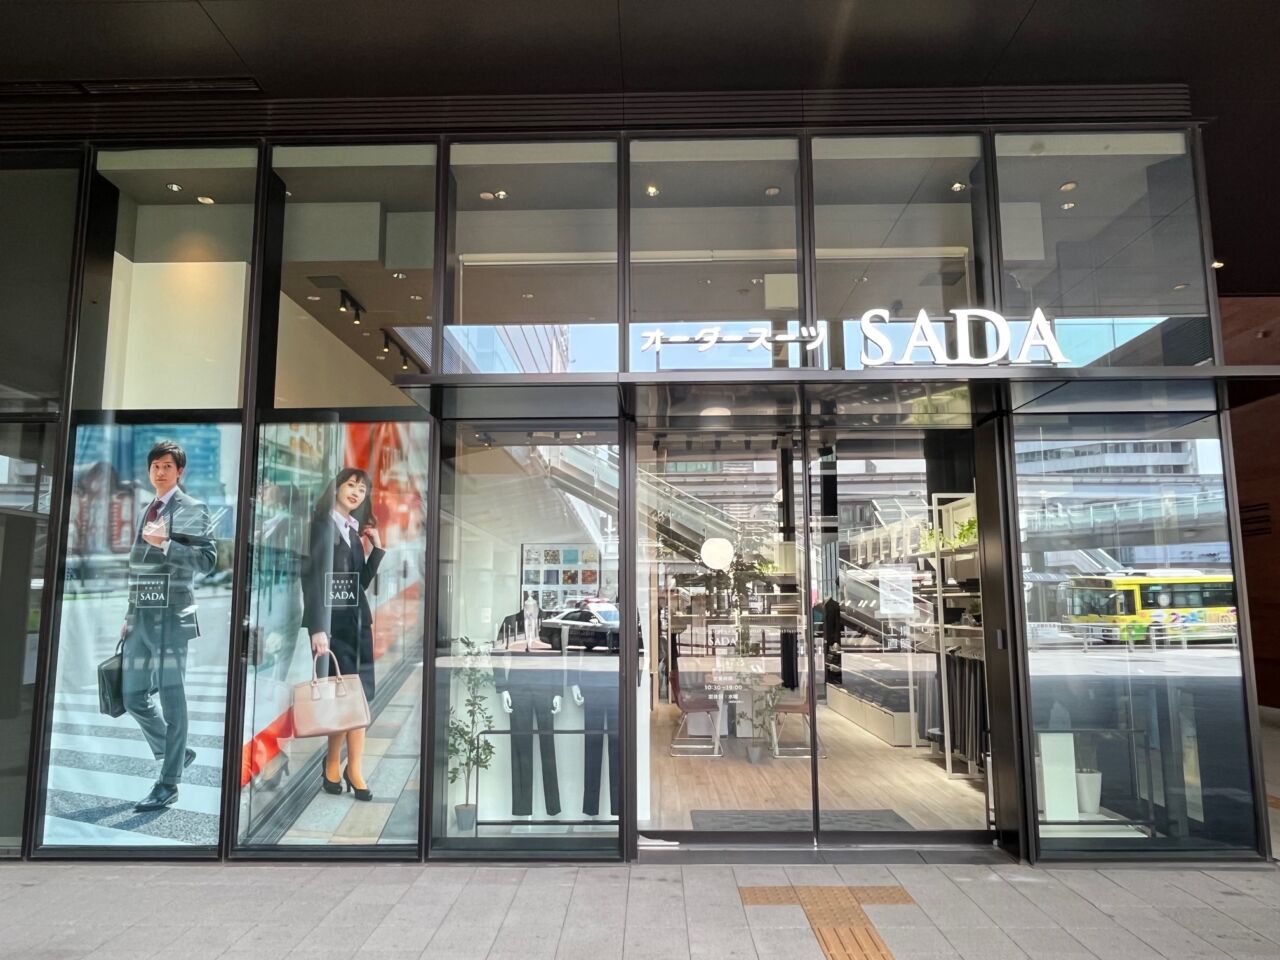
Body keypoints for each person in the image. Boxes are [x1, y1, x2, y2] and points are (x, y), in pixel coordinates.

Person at [121, 440, 217, 812]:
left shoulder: (191, 508)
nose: (160, 472)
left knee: (172, 699)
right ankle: (176, 751)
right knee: (132, 696)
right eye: (155, 466)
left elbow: (206, 561)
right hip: (142, 616)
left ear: (179, 471)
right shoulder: (148, 508)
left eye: (167, 466)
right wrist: (130, 614)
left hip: (173, 618)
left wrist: (165, 545)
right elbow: (137, 566)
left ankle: (169, 782)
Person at [302, 467, 384, 801]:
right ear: (336, 487)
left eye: (362, 490)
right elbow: (310, 578)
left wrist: (376, 549)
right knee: (343, 699)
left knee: (356, 697)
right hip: (332, 628)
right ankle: (348, 769)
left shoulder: (351, 530)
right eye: (351, 485)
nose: (356, 493)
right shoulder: (321, 526)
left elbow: (358, 584)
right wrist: (317, 628)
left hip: (357, 623)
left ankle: (340, 766)